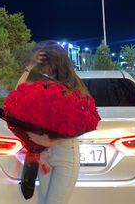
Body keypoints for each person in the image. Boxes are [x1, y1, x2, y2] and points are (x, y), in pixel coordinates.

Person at [16, 41, 90, 204]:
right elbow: (18, 92)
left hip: (65, 153)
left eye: (44, 64)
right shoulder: (42, 83)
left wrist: (50, 141)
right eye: (40, 65)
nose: (42, 69)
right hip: (44, 154)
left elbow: (82, 124)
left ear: (55, 62)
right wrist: (30, 65)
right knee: (44, 201)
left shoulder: (73, 87)